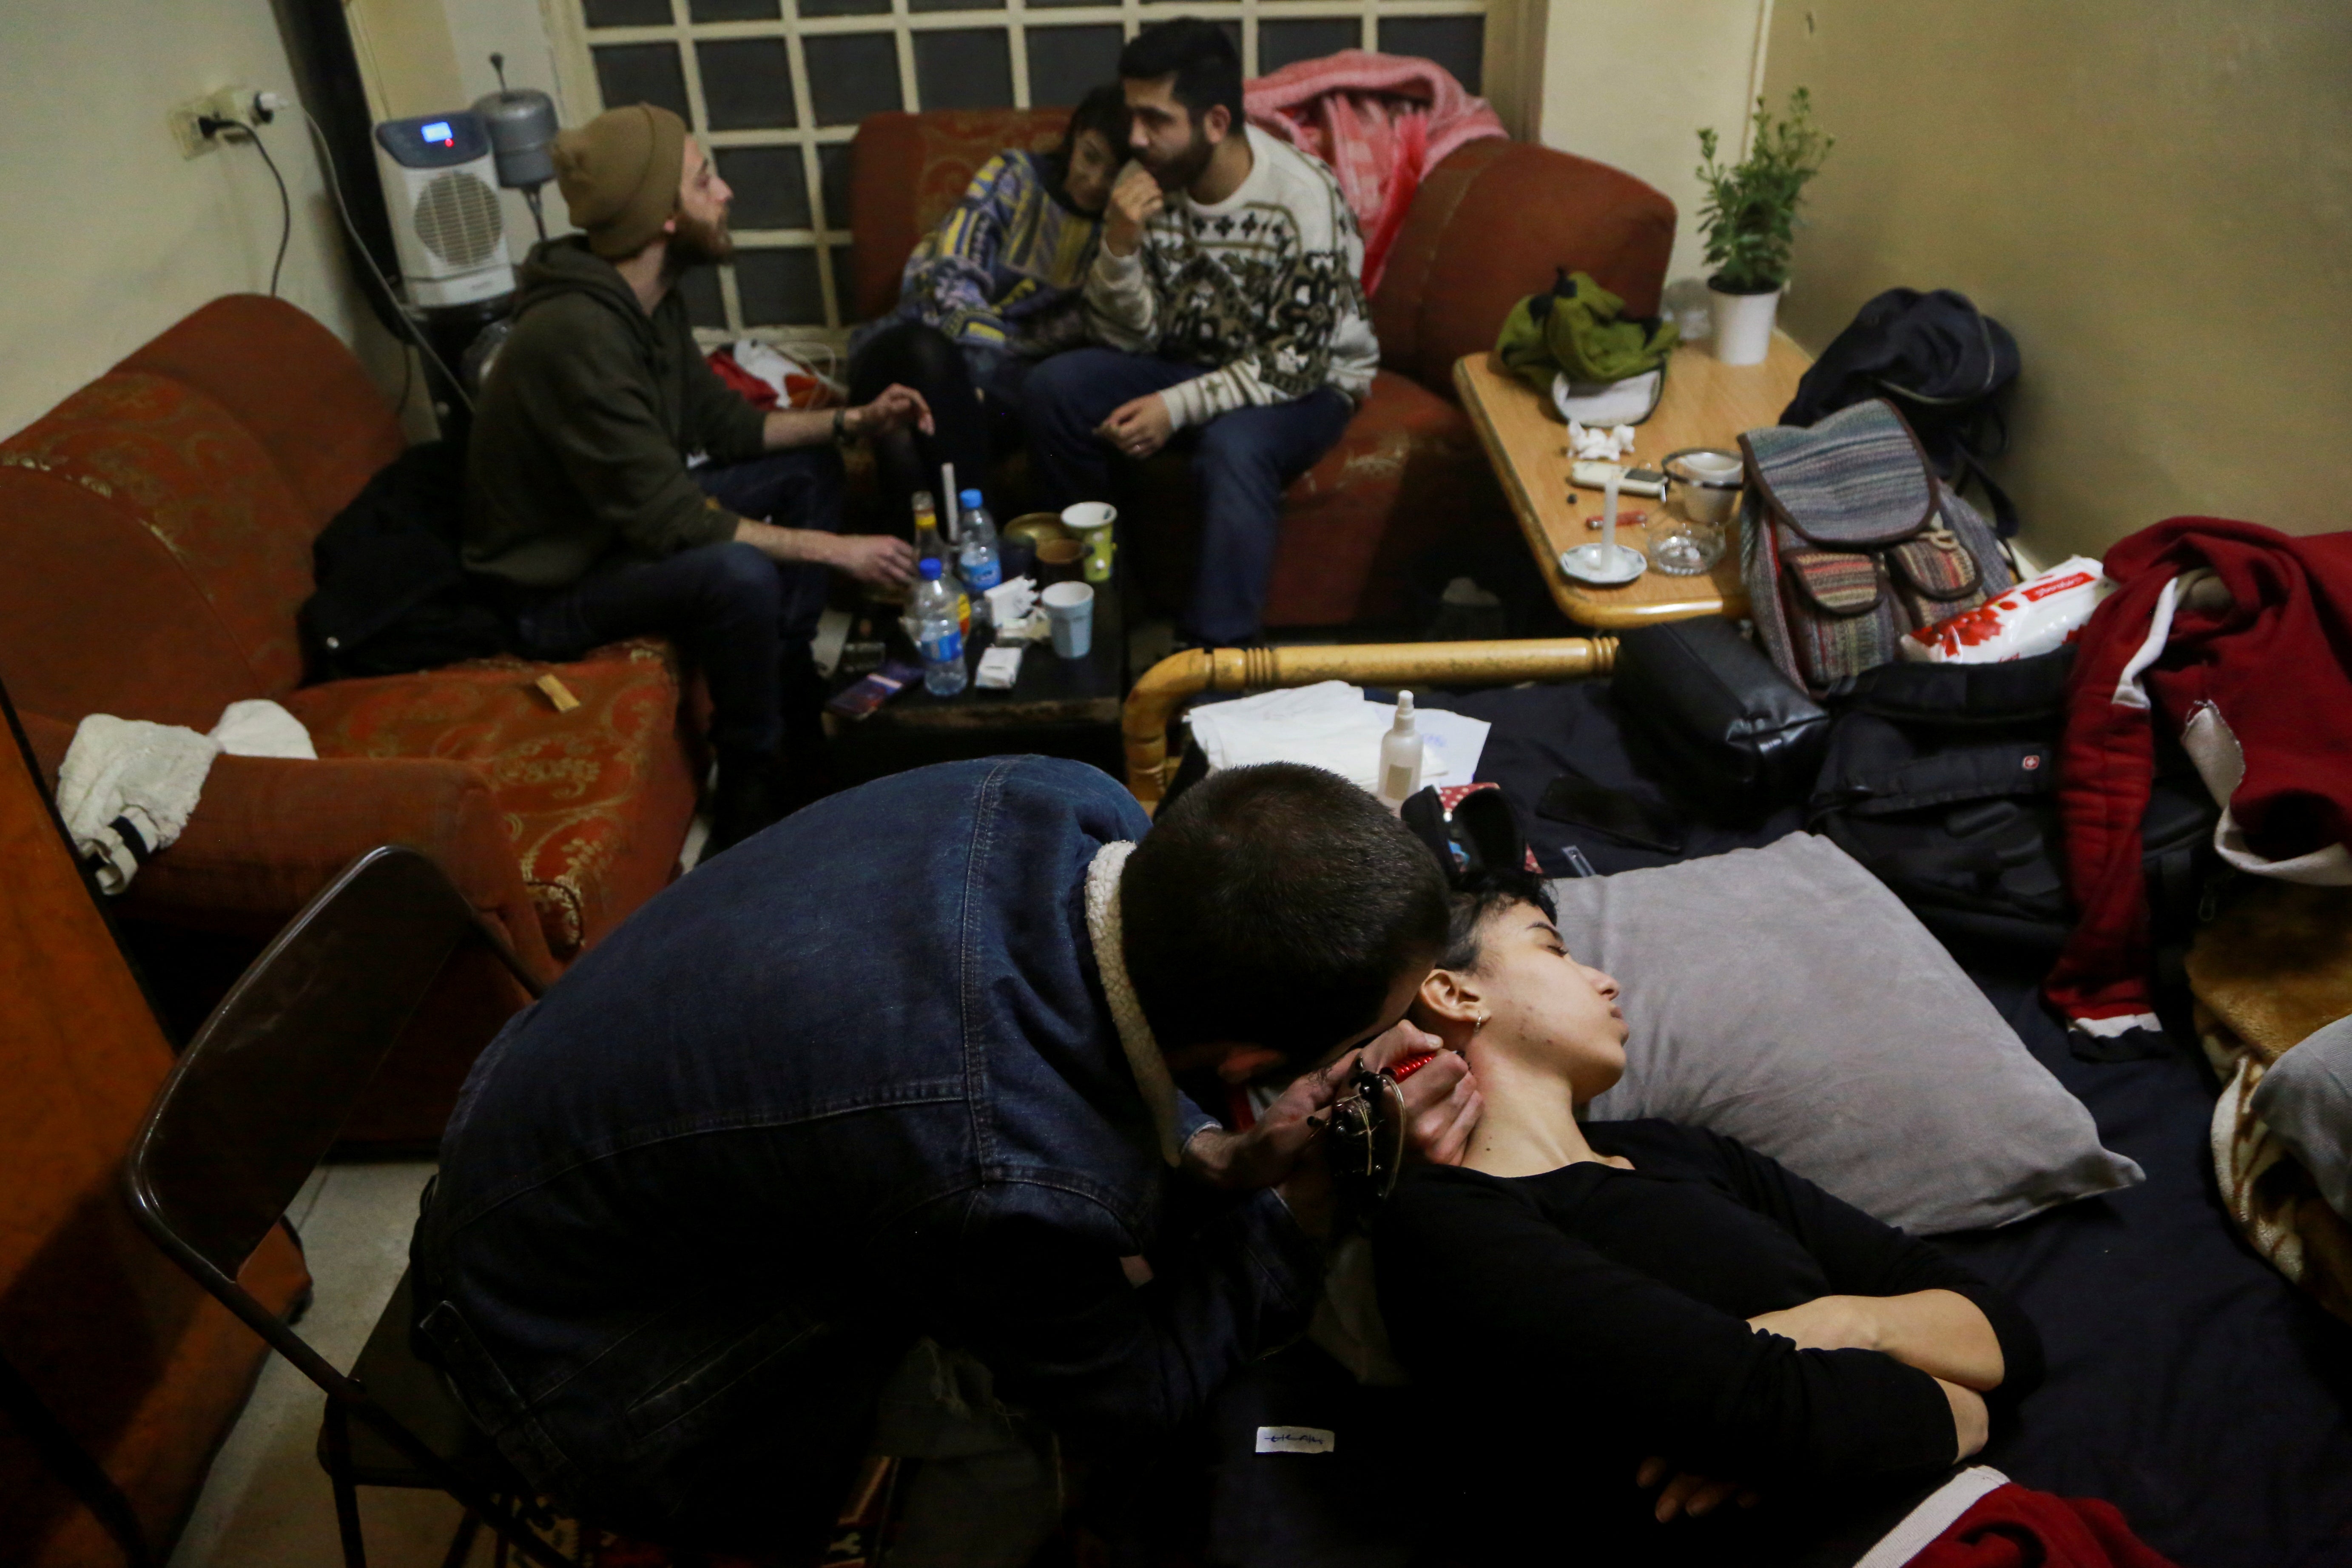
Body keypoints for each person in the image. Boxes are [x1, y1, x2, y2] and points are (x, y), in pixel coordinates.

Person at [408, 758, 1483, 1559]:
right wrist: (1291, 1216)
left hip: (528, 1115)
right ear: (1252, 1058)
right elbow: (1131, 1389)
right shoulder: (1000, 1171)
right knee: (1015, 1430)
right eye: (1362, 1038)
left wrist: (1214, 1159)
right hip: (556, 1339)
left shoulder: (1068, 800)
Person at [1376, 867, 2053, 1565]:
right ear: (1455, 992)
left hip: (2003, 1522)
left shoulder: (1680, 1149)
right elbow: (1777, 1412)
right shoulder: (1445, 1223)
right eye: (1554, 950)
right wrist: (1959, 1402)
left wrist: (1844, 1323)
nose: (1604, 980)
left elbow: (2005, 1333)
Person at [464, 102, 932, 852]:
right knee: (736, 572)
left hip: (614, 536)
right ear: (663, 216)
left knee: (806, 466)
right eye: (704, 179)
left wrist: (855, 421)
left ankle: (790, 690)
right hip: (550, 590)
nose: (726, 193)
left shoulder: (650, 300)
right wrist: (838, 551)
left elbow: (726, 429)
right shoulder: (575, 334)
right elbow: (674, 521)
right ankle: (753, 773)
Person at [1024, 18, 1379, 647]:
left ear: (1215, 123)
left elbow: (1296, 359)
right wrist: (1119, 246)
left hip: (1307, 382)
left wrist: (1176, 406)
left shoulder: (1302, 197)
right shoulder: (1148, 183)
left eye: (1156, 120)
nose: (1135, 137)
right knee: (1054, 387)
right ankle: (1105, 607)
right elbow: (1128, 340)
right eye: (1133, 115)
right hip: (1188, 360)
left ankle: (1217, 665)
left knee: (1232, 446)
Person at [848, 85, 1131, 524]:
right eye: (1090, 157)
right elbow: (952, 273)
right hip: (908, 347)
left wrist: (981, 383)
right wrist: (975, 369)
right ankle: (985, 556)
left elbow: (1086, 329)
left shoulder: (1116, 240)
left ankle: (948, 570)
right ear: (1074, 138)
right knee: (930, 355)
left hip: (995, 396)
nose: (1094, 182)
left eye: (1113, 174)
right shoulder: (1014, 176)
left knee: (903, 438)